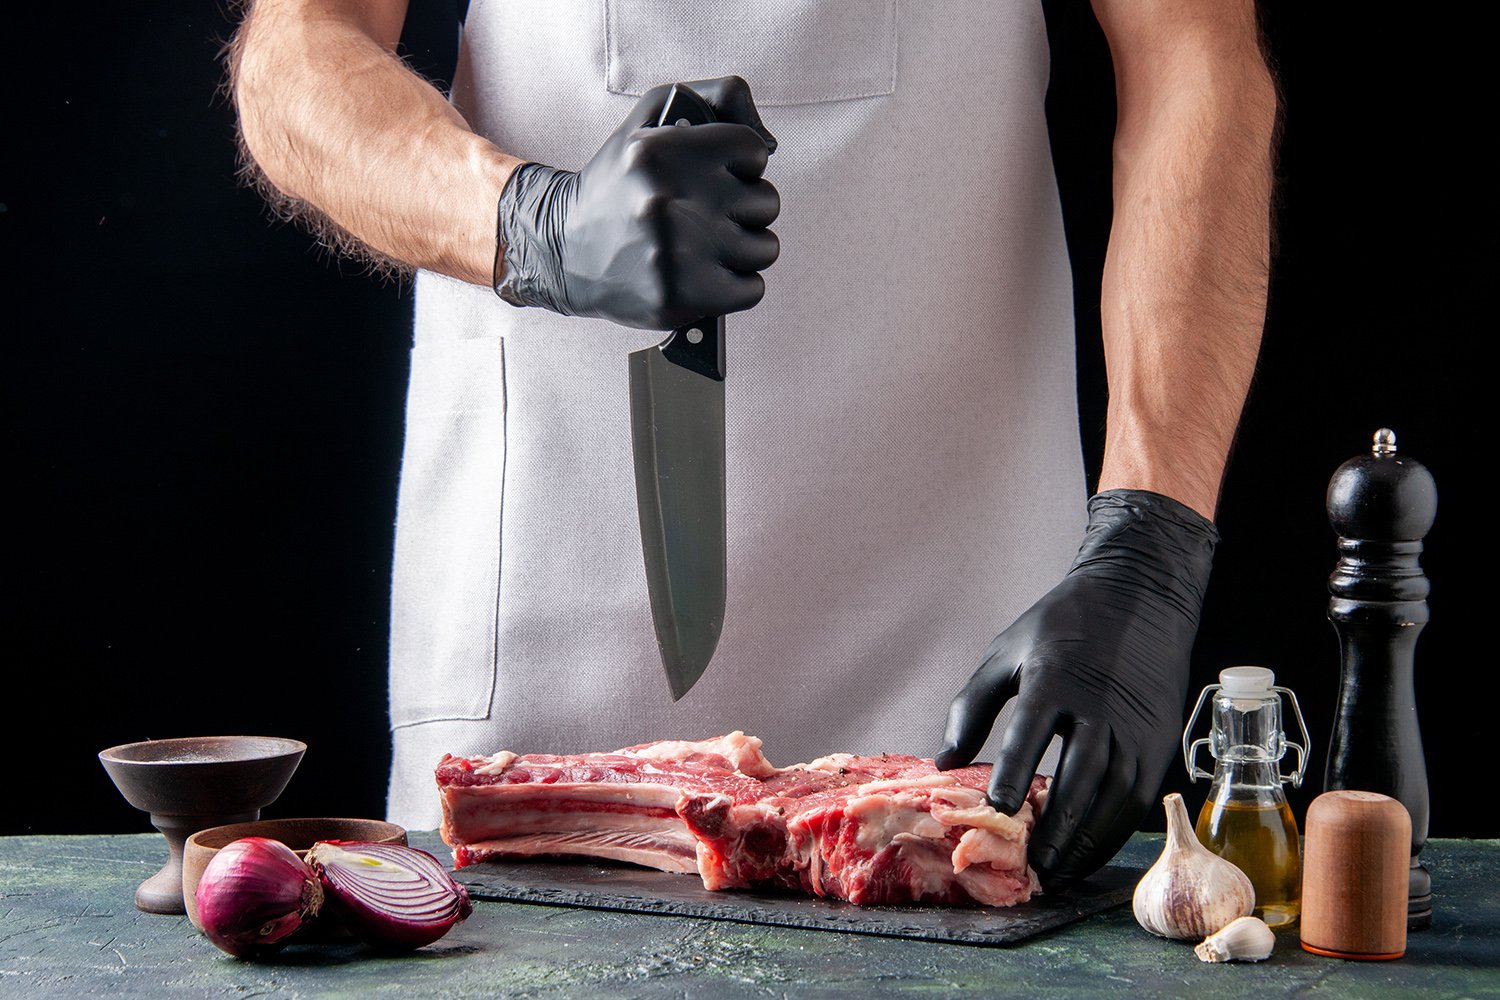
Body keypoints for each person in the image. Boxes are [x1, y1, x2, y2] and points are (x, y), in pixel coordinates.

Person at [229, 0, 1275, 887]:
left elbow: (1195, 51)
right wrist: (533, 224)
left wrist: (1153, 540)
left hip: (969, 649)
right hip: (549, 618)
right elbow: (294, 53)